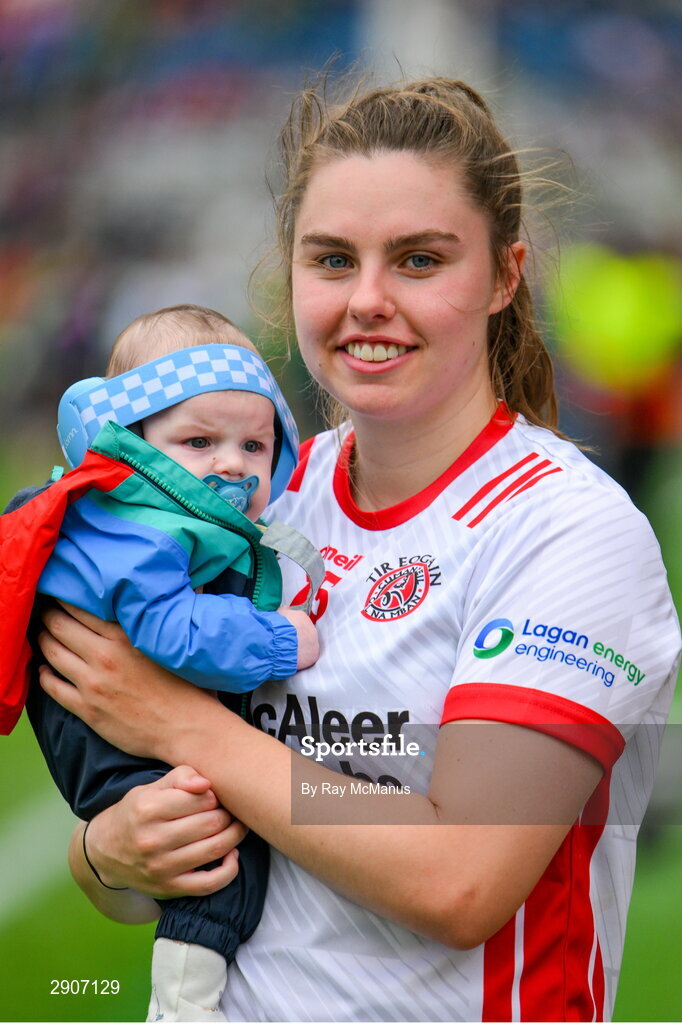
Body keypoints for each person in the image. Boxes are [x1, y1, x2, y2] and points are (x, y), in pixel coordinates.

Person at [36, 77, 680, 1023]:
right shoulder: (256, 504)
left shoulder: (568, 530)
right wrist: (111, 854)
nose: (368, 300)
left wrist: (183, 726)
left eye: (419, 260)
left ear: (505, 276)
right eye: (332, 260)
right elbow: (147, 875)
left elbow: (460, 879)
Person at [0, 304, 320, 1022]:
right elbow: (173, 630)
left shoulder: (160, 514)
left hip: (120, 718)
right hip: (101, 731)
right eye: (199, 440)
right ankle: (182, 1007)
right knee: (219, 864)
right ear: (136, 443)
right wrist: (278, 640)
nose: (232, 463)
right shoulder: (137, 529)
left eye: (254, 445)